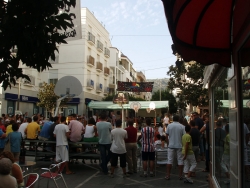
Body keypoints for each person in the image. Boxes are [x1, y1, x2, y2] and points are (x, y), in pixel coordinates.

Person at [165, 115, 185, 180]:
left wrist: (168, 143)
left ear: (172, 119)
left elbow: (166, 135)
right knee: (180, 160)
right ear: (179, 119)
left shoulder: (169, 126)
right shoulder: (182, 126)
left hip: (171, 145)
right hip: (179, 145)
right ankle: (180, 175)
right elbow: (184, 136)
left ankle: (168, 175)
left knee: (169, 160)